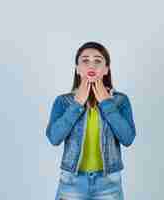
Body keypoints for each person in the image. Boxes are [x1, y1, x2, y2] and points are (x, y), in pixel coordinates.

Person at [46, 41, 136, 200]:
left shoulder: (120, 101)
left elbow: (128, 138)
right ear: (77, 68)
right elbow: (54, 138)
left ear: (106, 69)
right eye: (85, 60)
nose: (91, 65)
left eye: (98, 61)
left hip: (109, 183)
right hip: (71, 182)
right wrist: (77, 104)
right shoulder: (63, 102)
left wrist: (107, 104)